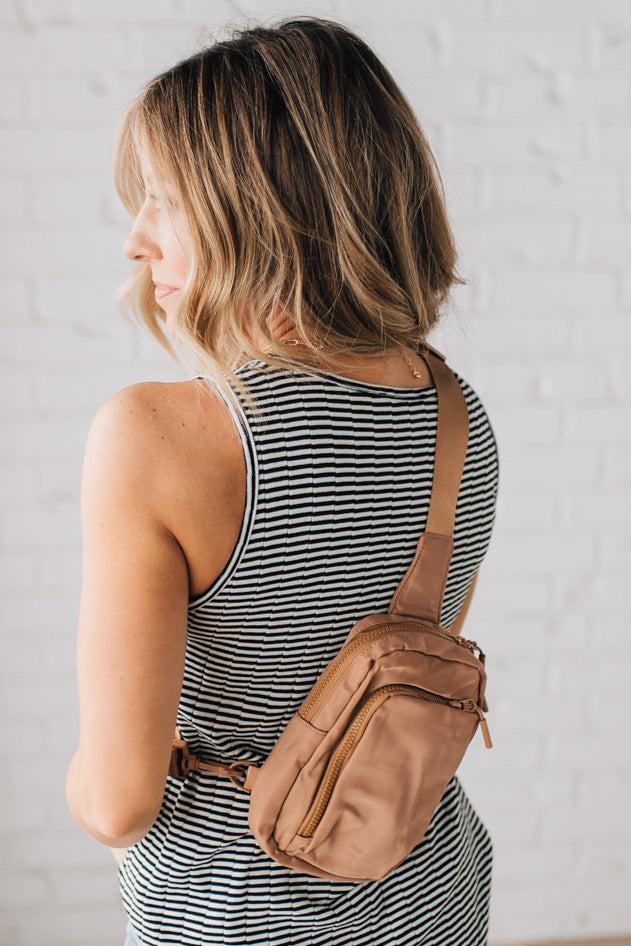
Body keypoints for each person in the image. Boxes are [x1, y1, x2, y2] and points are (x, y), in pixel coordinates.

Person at [65, 15, 500, 946]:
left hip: (239, 913)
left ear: (265, 208)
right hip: (431, 882)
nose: (137, 241)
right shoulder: (458, 416)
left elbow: (115, 803)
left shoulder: (156, 436)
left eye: (166, 200)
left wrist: (99, 795)